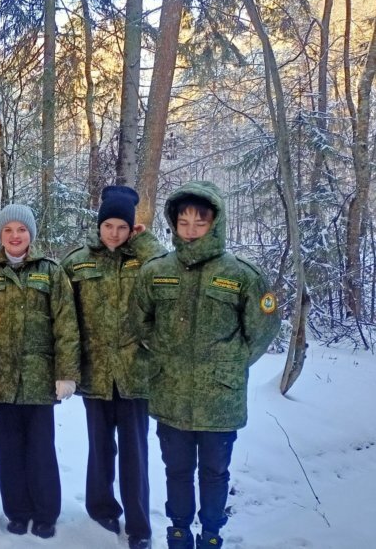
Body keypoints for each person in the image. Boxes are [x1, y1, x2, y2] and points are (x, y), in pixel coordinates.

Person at [129, 181, 280, 549]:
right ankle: (179, 531)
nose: (191, 230)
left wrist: (231, 364)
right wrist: (164, 354)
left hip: (219, 399)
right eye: (184, 222)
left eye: (200, 222)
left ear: (215, 223)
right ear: (174, 223)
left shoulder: (242, 274)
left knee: (215, 472)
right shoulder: (156, 270)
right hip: (171, 393)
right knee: (177, 470)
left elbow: (264, 327)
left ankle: (211, 532)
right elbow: (140, 319)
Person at [0, 203, 81, 539]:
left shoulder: (50, 271)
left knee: (41, 450)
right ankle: (17, 511)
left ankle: (45, 513)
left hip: (40, 379)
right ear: (0, 235)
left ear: (31, 234)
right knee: (9, 450)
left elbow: (66, 325)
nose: (15, 236)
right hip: (1, 378)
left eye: (22, 230)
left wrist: (67, 373)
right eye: (9, 230)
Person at [63, 186, 166, 549]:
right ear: (99, 225)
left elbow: (167, 270)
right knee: (100, 448)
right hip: (96, 373)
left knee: (135, 454)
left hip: (135, 373)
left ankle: (139, 527)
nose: (114, 233)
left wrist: (144, 240)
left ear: (131, 229)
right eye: (108, 225)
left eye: (122, 227)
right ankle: (101, 510)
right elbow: (63, 317)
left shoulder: (144, 259)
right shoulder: (78, 262)